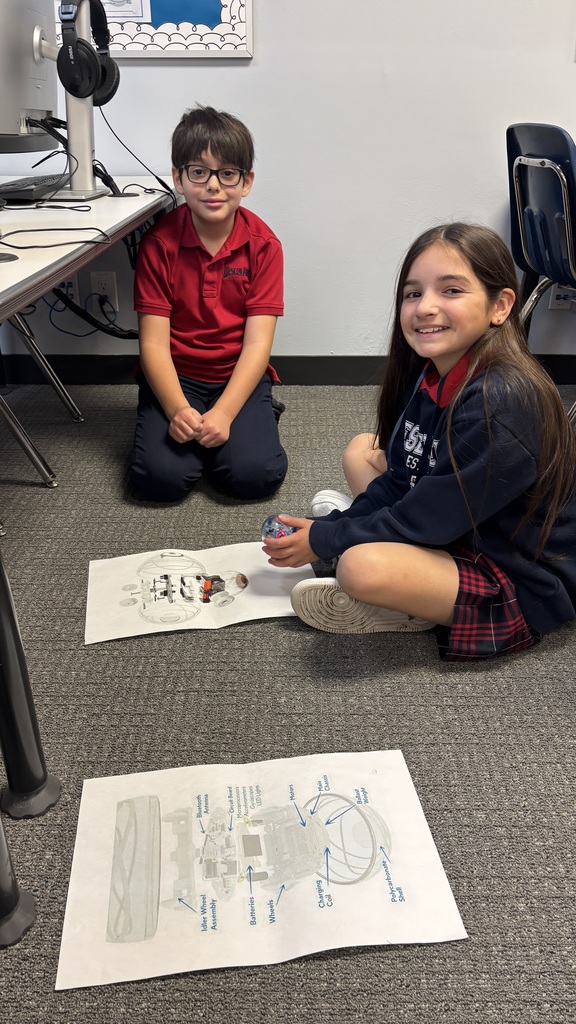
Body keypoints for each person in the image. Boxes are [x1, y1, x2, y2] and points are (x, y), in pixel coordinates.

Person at [262, 222, 576, 661]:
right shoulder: (436, 372)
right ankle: (396, 566)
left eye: (451, 291)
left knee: (358, 567)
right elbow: (399, 479)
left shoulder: (499, 403)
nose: (425, 307)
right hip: (465, 522)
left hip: (517, 572)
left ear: (500, 306)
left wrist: (330, 541)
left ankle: (412, 604)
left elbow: (425, 523)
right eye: (413, 293)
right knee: (361, 450)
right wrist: (335, 528)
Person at [128, 105, 288, 501]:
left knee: (255, 477)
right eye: (199, 172)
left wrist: (226, 413)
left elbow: (257, 345)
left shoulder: (264, 246)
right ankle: (184, 425)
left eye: (227, 173)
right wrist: (176, 409)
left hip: (238, 375)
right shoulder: (158, 246)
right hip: (176, 375)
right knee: (158, 482)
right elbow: (152, 344)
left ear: (246, 181)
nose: (213, 185)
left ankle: (255, 416)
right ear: (178, 179)